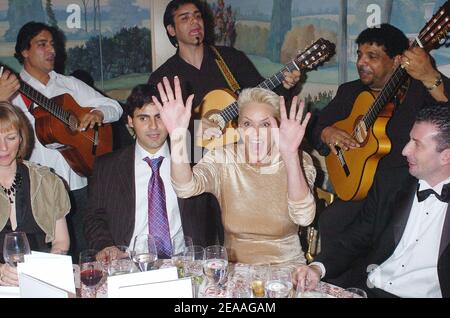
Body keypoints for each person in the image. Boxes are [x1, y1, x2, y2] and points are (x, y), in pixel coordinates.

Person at [148, 0, 302, 247]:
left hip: (240, 167)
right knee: (201, 245)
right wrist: (196, 128)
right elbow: (156, 131)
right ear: (171, 30)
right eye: (185, 18)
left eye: (197, 16)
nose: (195, 22)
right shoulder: (163, 77)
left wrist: (284, 86)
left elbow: (265, 102)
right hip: (194, 168)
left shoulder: (230, 59)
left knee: (245, 240)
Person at [311, 24, 450, 268]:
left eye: (372, 56)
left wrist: (430, 77)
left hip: (405, 190)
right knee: (333, 220)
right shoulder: (350, 92)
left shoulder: (421, 90)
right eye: (359, 55)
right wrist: (327, 132)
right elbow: (314, 126)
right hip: (361, 189)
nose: (361, 62)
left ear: (397, 60)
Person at [153, 77, 316, 265]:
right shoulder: (224, 158)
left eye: (265, 124)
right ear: (238, 129)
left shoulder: (299, 160)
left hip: (287, 272)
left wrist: (290, 156)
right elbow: (185, 188)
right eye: (247, 124)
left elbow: (304, 217)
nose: (255, 132)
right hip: (234, 272)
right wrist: (177, 135)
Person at [295, 103, 450, 298]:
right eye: (409, 140)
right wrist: (317, 268)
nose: (405, 150)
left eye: (417, 144)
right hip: (367, 288)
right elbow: (356, 237)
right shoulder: (391, 183)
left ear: (446, 156)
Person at [7, 22, 123, 262]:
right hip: (33, 190)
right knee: (42, 257)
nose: (52, 50)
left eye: (53, 44)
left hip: (77, 185)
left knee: (84, 255)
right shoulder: (11, 90)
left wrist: (98, 114)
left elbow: (115, 107)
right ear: (24, 51)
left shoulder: (69, 84)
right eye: (42, 44)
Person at [83, 84, 187, 261]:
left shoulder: (192, 161)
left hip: (182, 260)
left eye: (160, 117)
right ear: (130, 121)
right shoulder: (107, 166)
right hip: (128, 261)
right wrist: (106, 246)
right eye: (143, 118)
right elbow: (93, 217)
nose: (153, 126)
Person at [0, 101, 70, 286]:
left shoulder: (47, 181)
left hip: (41, 281)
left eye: (11, 137)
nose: (4, 148)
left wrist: (49, 266)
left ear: (21, 138)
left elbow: (61, 241)